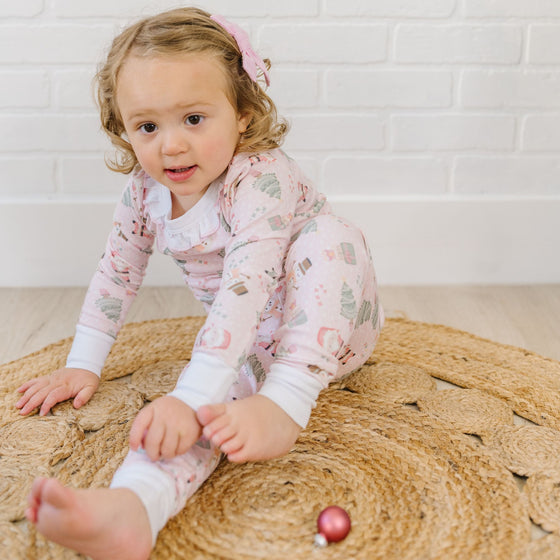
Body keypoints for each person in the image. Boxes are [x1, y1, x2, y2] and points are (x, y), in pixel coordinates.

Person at [15, 7, 384, 560]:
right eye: (147, 126)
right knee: (202, 414)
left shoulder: (259, 177)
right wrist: (84, 361)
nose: (170, 146)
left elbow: (248, 281)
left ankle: (287, 400)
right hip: (249, 334)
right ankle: (135, 505)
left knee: (331, 236)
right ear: (123, 128)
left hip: (330, 327)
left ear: (242, 112)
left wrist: (192, 392)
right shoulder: (143, 194)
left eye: (193, 119)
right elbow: (117, 271)